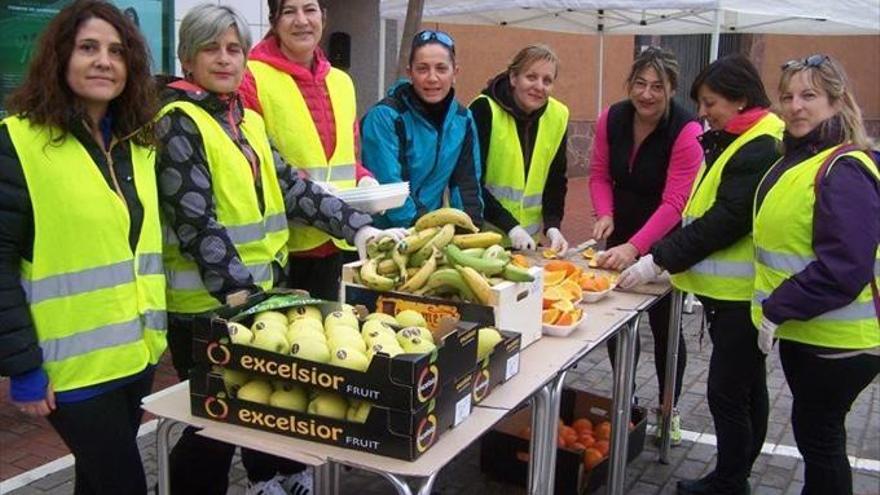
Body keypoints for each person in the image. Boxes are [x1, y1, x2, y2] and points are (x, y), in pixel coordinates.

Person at [156, 5, 398, 494]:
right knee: (214, 430)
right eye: (211, 48)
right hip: (208, 308)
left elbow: (296, 190)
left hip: (251, 301)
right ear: (187, 58)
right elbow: (197, 224)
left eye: (233, 49)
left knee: (240, 416)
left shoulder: (242, 122)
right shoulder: (179, 122)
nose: (224, 60)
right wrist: (246, 296)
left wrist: (359, 230)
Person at [0, 1, 166, 493]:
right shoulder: (18, 143)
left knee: (96, 483)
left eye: (117, 52)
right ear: (59, 57)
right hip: (67, 372)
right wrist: (22, 366)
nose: (104, 61)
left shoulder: (137, 143)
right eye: (88, 48)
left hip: (135, 361)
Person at [618, 55, 783, 494]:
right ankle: (737, 472)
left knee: (729, 395)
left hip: (739, 296)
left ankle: (730, 480)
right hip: (731, 294)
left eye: (711, 102)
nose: (704, 112)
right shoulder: (740, 136)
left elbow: (723, 220)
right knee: (748, 390)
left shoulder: (761, 145)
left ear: (741, 99)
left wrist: (656, 259)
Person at [752, 54, 879, 495]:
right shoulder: (804, 157)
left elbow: (845, 266)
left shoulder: (843, 168)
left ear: (835, 101)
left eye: (809, 95)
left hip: (838, 343)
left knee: (820, 438)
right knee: (817, 436)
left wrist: (776, 307)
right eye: (787, 96)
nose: (794, 107)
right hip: (813, 334)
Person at [588, 46, 703, 444]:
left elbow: (675, 202)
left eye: (658, 86)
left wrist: (637, 248)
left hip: (665, 242)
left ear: (672, 89)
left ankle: (668, 410)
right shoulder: (612, 118)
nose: (647, 94)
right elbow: (600, 174)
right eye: (640, 83)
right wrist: (604, 213)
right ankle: (627, 400)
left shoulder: (687, 131)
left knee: (667, 329)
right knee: (621, 326)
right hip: (620, 233)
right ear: (630, 84)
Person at [239, 0, 385, 301]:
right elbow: (253, 161)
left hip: (341, 241)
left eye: (310, 9)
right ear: (274, 21)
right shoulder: (251, 76)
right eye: (289, 11)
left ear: (324, 17)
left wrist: (365, 179)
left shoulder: (342, 82)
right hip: (288, 247)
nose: (301, 20)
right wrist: (312, 189)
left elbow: (349, 157)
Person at [360, 29, 483, 228]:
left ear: (455, 73)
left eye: (441, 69)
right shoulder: (385, 116)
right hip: (382, 233)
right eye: (423, 69)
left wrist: (472, 232)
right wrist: (427, 230)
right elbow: (390, 186)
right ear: (410, 72)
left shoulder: (463, 119)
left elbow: (467, 185)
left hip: (428, 228)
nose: (432, 78)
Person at [470, 44, 569, 253]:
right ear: (513, 78)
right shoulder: (483, 110)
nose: (539, 86)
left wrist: (553, 226)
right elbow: (471, 183)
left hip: (527, 246)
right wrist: (511, 227)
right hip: (483, 241)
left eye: (547, 80)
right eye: (531, 77)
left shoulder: (558, 115)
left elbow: (556, 178)